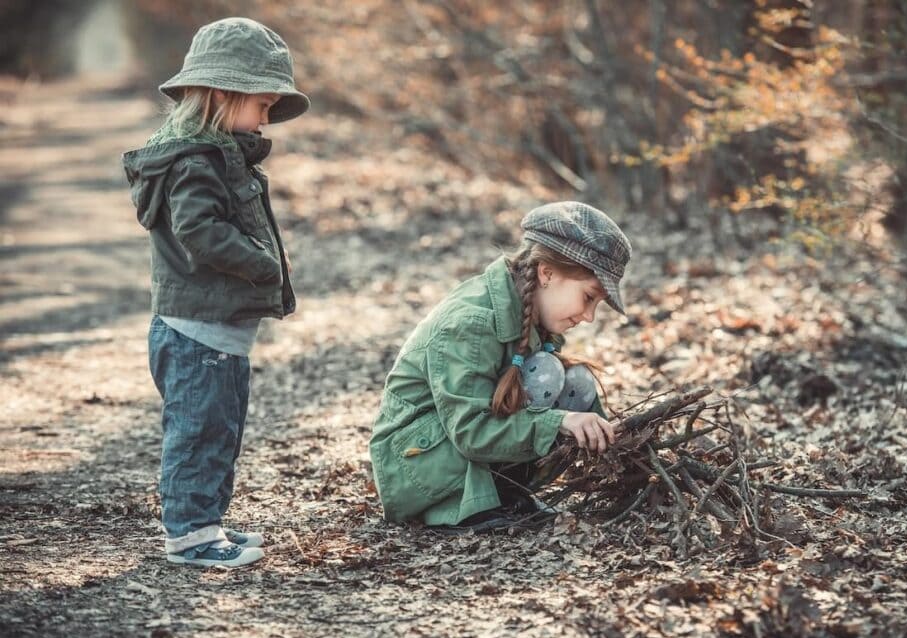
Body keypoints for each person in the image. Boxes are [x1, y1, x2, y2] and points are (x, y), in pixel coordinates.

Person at [122, 17, 309, 567]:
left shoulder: (215, 151)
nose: (265, 118)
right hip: (198, 332)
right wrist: (262, 265)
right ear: (226, 95)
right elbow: (199, 232)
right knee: (199, 434)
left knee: (219, 430)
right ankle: (189, 534)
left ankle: (206, 521)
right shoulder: (197, 161)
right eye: (262, 105)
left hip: (214, 331)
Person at [369, 201, 632, 532]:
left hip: (454, 448)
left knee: (574, 381)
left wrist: (611, 439)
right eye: (588, 297)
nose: (589, 316)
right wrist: (559, 422)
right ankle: (462, 505)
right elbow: (470, 429)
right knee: (561, 409)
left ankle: (504, 492)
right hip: (415, 466)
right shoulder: (472, 322)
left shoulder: (536, 312)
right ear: (547, 273)